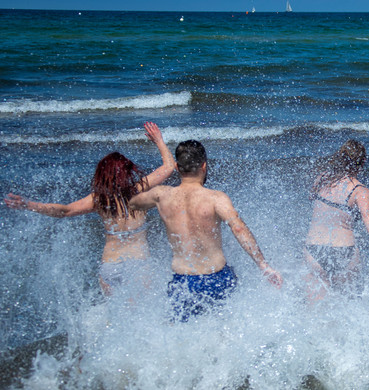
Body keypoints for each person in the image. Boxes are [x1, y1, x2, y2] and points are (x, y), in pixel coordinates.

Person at [4, 122, 175, 295]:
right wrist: (159, 141)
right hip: (139, 264)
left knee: (114, 315)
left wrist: (30, 205)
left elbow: (65, 210)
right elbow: (168, 167)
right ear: (127, 172)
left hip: (110, 267)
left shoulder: (99, 199)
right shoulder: (139, 189)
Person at [129, 140, 282, 322]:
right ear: (203, 166)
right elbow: (238, 228)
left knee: (183, 333)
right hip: (216, 278)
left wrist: (161, 148)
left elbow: (131, 201)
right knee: (224, 328)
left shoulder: (161, 195)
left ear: (177, 167)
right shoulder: (216, 198)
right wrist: (263, 265)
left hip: (183, 281)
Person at [304, 139, 369, 299]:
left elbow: (312, 198)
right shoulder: (359, 191)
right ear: (362, 162)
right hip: (344, 250)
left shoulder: (322, 178)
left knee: (314, 305)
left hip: (314, 248)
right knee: (344, 302)